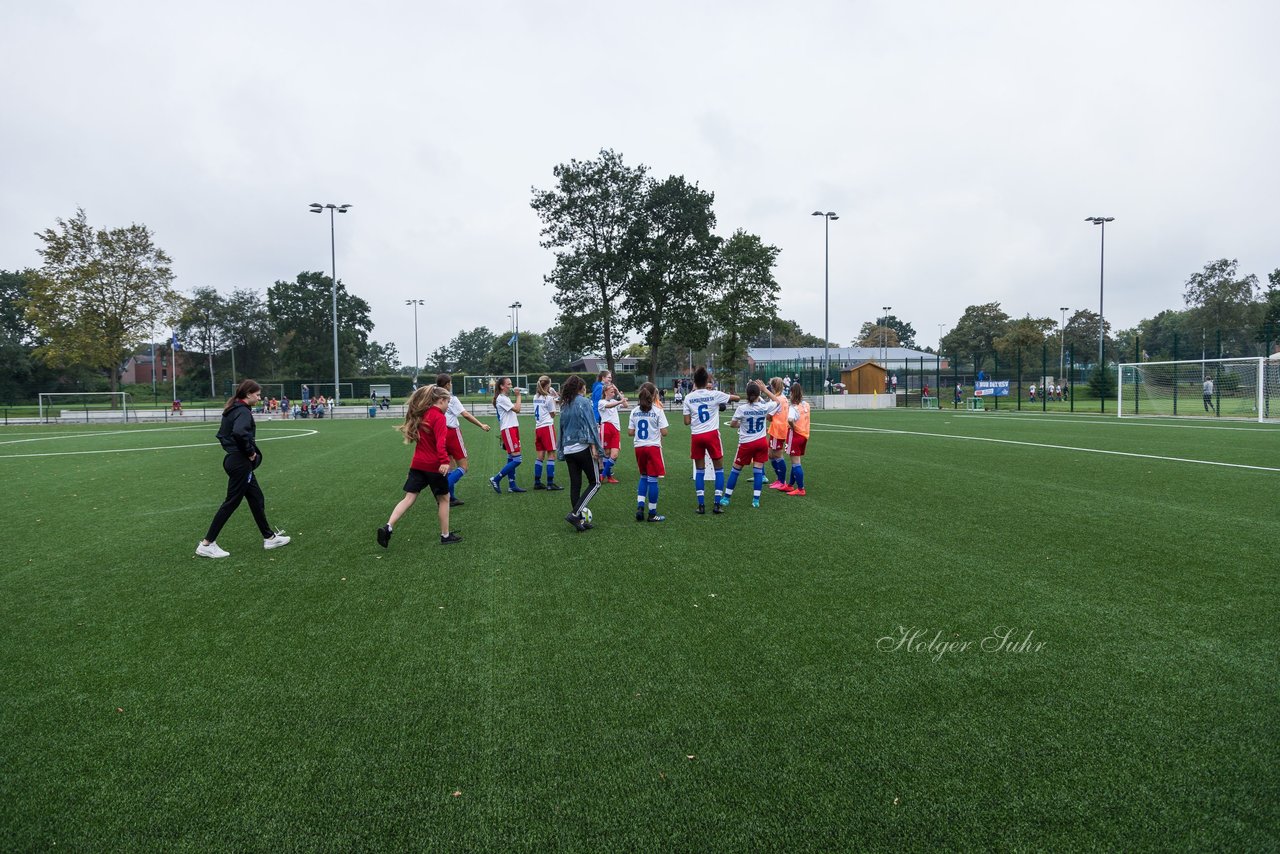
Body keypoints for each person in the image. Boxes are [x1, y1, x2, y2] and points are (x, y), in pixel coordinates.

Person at [195, 379, 291, 558]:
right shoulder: (242, 411)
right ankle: (207, 543)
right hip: (240, 463)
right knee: (231, 502)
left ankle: (269, 537)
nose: (260, 398)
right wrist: (250, 452)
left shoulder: (233, 409)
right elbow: (239, 432)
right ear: (248, 394)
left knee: (256, 498)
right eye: (257, 395)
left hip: (235, 461)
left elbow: (224, 434)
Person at [377, 384, 461, 547]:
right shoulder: (439, 417)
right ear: (441, 400)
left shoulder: (423, 414)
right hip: (434, 466)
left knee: (408, 498)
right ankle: (445, 535)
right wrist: (444, 461)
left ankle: (388, 527)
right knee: (444, 499)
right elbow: (440, 443)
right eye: (448, 402)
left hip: (417, 464)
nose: (448, 406)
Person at [682, 365, 739, 515]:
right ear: (707, 380)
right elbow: (737, 398)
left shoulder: (688, 397)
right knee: (719, 469)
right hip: (712, 435)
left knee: (700, 471)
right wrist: (725, 398)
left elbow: (686, 421)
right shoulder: (715, 394)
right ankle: (716, 504)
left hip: (697, 436)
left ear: (694, 381)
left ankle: (701, 506)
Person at [556, 375, 604, 531]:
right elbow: (591, 426)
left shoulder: (565, 404)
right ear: (580, 388)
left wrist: (561, 449)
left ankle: (579, 521)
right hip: (582, 447)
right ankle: (575, 514)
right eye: (584, 387)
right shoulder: (584, 402)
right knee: (595, 483)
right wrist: (596, 448)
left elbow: (561, 429)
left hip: (568, 448)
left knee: (575, 485)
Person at [723, 380, 781, 509]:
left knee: (736, 470)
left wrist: (741, 424)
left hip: (746, 443)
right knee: (758, 471)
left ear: (747, 394)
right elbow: (778, 402)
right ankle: (755, 500)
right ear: (758, 393)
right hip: (760, 442)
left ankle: (726, 498)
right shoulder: (764, 407)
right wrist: (766, 390)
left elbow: (733, 424)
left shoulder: (742, 409)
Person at [436, 373, 491, 506]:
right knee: (463, 467)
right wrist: (481, 425)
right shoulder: (451, 399)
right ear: (447, 384)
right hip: (452, 433)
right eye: (450, 382)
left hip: (439, 433)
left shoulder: (434, 398)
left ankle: (450, 498)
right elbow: (465, 414)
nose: (451, 384)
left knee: (449, 465)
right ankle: (441, 489)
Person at [628, 382, 669, 522]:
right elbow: (665, 432)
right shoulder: (657, 411)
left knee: (643, 477)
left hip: (639, 448)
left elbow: (630, 432)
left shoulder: (634, 411)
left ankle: (640, 507)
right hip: (652, 447)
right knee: (653, 480)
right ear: (653, 395)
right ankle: (652, 513)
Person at [490, 377, 526, 493]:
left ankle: (512, 485)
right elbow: (517, 409)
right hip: (508, 429)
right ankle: (496, 479)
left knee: (511, 458)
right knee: (517, 459)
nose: (511, 386)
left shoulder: (504, 398)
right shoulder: (502, 398)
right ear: (502, 386)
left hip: (512, 428)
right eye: (509, 384)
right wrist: (519, 396)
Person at [531, 375, 563, 491]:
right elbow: (553, 414)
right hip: (547, 427)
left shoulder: (535, 396)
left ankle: (537, 482)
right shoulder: (548, 398)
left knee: (540, 456)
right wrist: (554, 399)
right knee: (551, 455)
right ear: (548, 385)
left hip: (538, 428)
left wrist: (552, 398)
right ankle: (550, 483)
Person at [782, 382, 811, 496]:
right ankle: (790, 485)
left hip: (795, 435)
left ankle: (800, 488)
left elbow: (790, 419)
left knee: (795, 463)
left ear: (792, 393)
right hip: (804, 435)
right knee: (796, 460)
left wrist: (793, 427)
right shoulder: (806, 405)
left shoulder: (793, 407)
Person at [598, 381, 627, 483]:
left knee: (614, 455)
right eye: (611, 392)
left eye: (613, 392)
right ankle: (609, 477)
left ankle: (603, 475)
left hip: (615, 429)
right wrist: (620, 401)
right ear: (605, 392)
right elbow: (610, 406)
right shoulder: (601, 402)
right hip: (606, 428)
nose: (613, 394)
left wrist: (618, 392)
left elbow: (626, 405)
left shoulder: (614, 400)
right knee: (607, 453)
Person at [766, 377, 791, 490]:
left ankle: (781, 481)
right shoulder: (784, 398)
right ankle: (779, 479)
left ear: (773, 387)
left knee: (777, 455)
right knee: (771, 455)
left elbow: (769, 416)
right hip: (779, 429)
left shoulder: (777, 399)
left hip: (777, 430)